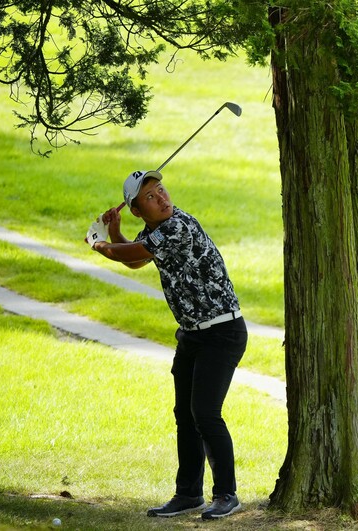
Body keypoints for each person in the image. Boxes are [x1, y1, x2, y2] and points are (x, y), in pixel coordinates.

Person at [86, 169, 247, 520]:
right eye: (150, 197)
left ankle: (226, 494)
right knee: (185, 417)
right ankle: (188, 494)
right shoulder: (154, 230)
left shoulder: (178, 226)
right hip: (192, 334)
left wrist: (99, 244)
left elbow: (128, 253)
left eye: (160, 190)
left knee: (205, 413)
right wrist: (113, 232)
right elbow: (137, 260)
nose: (161, 198)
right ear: (137, 211)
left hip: (222, 333)